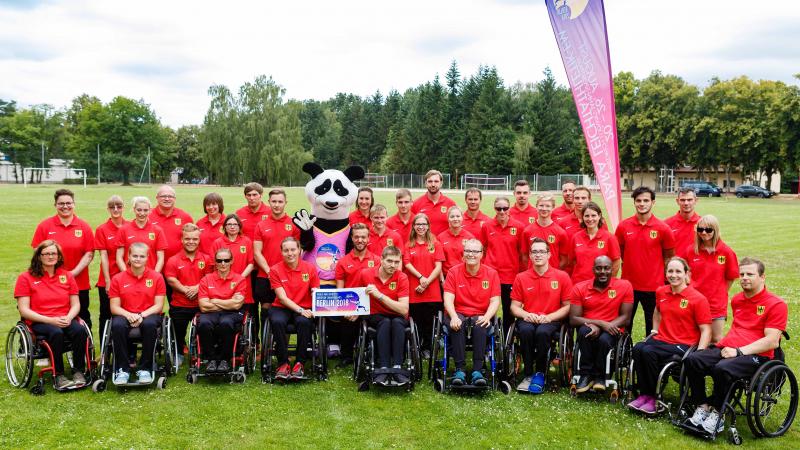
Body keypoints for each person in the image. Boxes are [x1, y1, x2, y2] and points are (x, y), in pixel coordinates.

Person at [682, 258, 787, 435]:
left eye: (750, 274)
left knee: (723, 369)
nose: (744, 278)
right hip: (729, 348)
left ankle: (717, 414)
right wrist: (730, 348)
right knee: (693, 359)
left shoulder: (776, 304)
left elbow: (772, 341)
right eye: (742, 274)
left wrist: (739, 351)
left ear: (762, 277)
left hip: (756, 355)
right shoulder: (737, 300)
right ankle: (702, 407)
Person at [628, 257, 711, 414]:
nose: (674, 275)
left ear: (687, 274)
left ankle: (653, 398)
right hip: (662, 340)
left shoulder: (697, 299)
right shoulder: (661, 292)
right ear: (665, 273)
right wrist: (654, 330)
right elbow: (657, 311)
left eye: (678, 271)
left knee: (648, 351)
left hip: (683, 344)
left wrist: (700, 353)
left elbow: (706, 329)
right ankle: (644, 394)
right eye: (670, 271)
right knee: (638, 348)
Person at [14, 240, 89, 389]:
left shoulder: (67, 276)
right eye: (46, 253)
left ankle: (79, 371)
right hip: (40, 320)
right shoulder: (26, 278)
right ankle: (59, 374)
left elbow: (76, 304)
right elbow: (24, 310)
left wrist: (68, 317)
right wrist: (51, 320)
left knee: (80, 330)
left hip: (64, 317)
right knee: (56, 333)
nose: (50, 256)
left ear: (59, 256)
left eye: (54, 253)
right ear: (39, 256)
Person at [510, 238, 572, 393]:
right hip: (529, 317)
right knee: (526, 331)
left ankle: (540, 373)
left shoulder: (561, 276)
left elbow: (567, 306)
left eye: (542, 251)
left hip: (551, 319)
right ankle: (528, 374)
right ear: (530, 256)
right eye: (534, 252)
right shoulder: (521, 277)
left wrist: (550, 317)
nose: (538, 255)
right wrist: (526, 314)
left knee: (543, 332)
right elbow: (514, 307)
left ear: (549, 254)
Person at [615, 187, 676, 337]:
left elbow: (669, 257)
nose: (642, 204)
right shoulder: (623, 226)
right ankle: (624, 357)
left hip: (654, 287)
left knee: (652, 327)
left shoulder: (663, 228)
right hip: (629, 286)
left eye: (646, 200)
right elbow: (619, 252)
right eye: (639, 201)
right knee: (625, 325)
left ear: (653, 202)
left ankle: (647, 357)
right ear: (634, 203)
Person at [569, 256, 634, 393]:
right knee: (583, 332)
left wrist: (606, 326)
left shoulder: (624, 286)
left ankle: (600, 377)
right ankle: (586, 375)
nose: (603, 271)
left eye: (606, 268)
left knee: (604, 339)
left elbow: (626, 317)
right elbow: (574, 319)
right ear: (593, 270)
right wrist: (599, 323)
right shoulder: (580, 288)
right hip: (590, 326)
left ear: (613, 269)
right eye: (599, 268)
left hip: (614, 327)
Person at [31, 189, 94, 329]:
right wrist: (54, 273)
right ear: (55, 205)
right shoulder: (45, 226)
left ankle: (85, 350)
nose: (65, 206)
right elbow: (37, 251)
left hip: (79, 282)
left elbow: (89, 254)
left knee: (82, 316)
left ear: (74, 204)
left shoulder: (84, 227)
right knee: (52, 315)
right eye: (61, 204)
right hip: (50, 282)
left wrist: (72, 273)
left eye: (68, 203)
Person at [442, 239, 501, 387]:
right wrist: (454, 316)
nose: (471, 254)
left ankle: (478, 370)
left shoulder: (491, 273)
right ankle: (459, 370)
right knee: (457, 325)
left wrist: (487, 317)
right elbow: (448, 298)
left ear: (482, 254)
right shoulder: (453, 272)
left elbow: (495, 301)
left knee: (480, 324)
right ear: (463, 254)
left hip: (481, 312)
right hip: (458, 311)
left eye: (475, 251)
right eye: (468, 251)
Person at [108, 242, 166, 385]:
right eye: (134, 256)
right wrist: (129, 315)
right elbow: (114, 307)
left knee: (150, 324)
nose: (138, 259)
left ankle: (145, 368)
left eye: (141, 256)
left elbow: (158, 305)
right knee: (117, 325)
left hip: (149, 314)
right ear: (128, 257)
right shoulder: (118, 278)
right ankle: (123, 369)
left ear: (147, 258)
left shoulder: (157, 277)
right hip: (125, 313)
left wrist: (141, 315)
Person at [268, 238, 321, 380]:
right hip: (282, 307)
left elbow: (316, 291)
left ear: (300, 250)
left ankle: (299, 363)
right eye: (286, 250)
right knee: (277, 322)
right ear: (281, 252)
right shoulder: (275, 270)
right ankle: (283, 363)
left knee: (304, 323)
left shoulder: (310, 268)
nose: (290, 253)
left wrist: (316, 305)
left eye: (293, 249)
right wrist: (300, 310)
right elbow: (282, 298)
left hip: (304, 306)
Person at [357, 246, 411, 385]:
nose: (393, 265)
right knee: (385, 322)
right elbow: (355, 295)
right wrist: (354, 312)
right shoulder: (365, 274)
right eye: (389, 261)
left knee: (397, 323)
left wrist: (380, 295)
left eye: (396, 262)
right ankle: (384, 366)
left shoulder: (402, 277)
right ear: (381, 259)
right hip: (376, 315)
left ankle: (398, 367)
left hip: (397, 314)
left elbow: (404, 309)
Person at [164, 224, 213, 367]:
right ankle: (178, 352)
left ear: (199, 240)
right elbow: (171, 279)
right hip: (180, 304)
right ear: (182, 239)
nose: (191, 242)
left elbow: (209, 277)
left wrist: (197, 288)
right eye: (187, 239)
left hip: (201, 304)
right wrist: (186, 290)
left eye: (194, 239)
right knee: (178, 332)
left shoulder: (206, 258)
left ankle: (203, 353)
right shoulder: (173, 260)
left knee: (206, 328)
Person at [684, 215, 738, 343]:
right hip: (694, 301)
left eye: (708, 230)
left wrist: (719, 291)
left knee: (715, 338)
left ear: (716, 230)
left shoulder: (726, 252)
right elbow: (684, 273)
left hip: (716, 304)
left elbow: (731, 277)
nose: (704, 233)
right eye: (700, 229)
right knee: (694, 338)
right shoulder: (691, 251)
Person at [253, 189, 300, 333]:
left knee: (284, 309)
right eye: (274, 201)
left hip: (288, 276)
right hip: (265, 276)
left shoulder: (293, 224)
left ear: (285, 203)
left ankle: (282, 347)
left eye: (280, 201)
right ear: (269, 202)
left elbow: (298, 251)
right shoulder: (261, 225)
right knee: (266, 309)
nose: (277, 205)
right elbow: (256, 252)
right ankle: (266, 349)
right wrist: (269, 271)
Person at [334, 223, 379, 366]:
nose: (360, 240)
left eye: (363, 237)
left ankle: (371, 353)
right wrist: (348, 309)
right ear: (352, 238)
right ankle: (346, 355)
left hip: (372, 306)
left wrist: (361, 310)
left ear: (368, 238)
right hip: (350, 306)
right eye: (357, 237)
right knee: (347, 320)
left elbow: (379, 288)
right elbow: (340, 291)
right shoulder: (343, 261)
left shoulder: (377, 260)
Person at [196, 248, 247, 374]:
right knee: (204, 324)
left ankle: (225, 359)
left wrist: (214, 300)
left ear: (231, 261)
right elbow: (203, 306)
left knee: (226, 323)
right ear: (215, 262)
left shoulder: (239, 279)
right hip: (210, 313)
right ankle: (211, 359)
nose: (223, 263)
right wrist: (228, 302)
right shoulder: (206, 279)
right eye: (219, 260)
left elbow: (236, 305)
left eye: (226, 260)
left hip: (232, 314)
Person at [480, 196, 526, 335]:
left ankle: (507, 338)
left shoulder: (519, 227)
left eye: (505, 208)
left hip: (510, 275)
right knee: (487, 307)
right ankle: (488, 336)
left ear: (509, 208)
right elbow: (483, 249)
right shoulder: (487, 226)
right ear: (494, 208)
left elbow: (522, 253)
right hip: (490, 274)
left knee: (508, 309)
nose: (501, 211)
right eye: (498, 208)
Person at [404, 213, 445, 357]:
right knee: (417, 321)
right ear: (413, 226)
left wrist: (426, 282)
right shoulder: (408, 245)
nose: (421, 227)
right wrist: (421, 277)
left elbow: (438, 267)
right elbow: (407, 263)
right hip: (415, 290)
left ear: (428, 226)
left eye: (424, 224)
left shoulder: (435, 244)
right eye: (418, 224)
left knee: (430, 322)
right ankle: (416, 347)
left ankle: (428, 348)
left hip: (432, 291)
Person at [212, 214, 255, 324]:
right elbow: (214, 264)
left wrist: (239, 278)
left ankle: (254, 341)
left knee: (247, 315)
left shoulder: (246, 241)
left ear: (239, 226)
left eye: (235, 224)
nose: (232, 227)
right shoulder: (218, 242)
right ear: (224, 227)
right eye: (229, 224)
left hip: (243, 283)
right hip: (223, 284)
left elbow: (251, 263)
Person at [94, 195, 126, 332]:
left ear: (123, 208)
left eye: (119, 206)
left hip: (127, 277)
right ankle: (104, 351)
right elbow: (104, 256)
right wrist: (107, 280)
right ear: (108, 209)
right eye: (112, 207)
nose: (116, 209)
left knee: (125, 313)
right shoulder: (102, 229)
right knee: (106, 314)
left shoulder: (130, 225)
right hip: (109, 277)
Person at [567, 202, 621, 283]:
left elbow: (616, 263)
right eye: (587, 216)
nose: (590, 219)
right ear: (583, 217)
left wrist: (607, 281)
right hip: (579, 284)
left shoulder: (610, 237)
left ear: (599, 216)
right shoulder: (576, 237)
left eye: (593, 215)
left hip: (600, 284)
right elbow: (573, 261)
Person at [115, 196, 168, 273]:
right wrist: (127, 275)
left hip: (149, 278)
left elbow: (160, 259)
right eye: (139, 210)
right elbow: (119, 257)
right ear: (134, 210)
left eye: (145, 210)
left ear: (150, 210)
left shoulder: (157, 230)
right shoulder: (124, 230)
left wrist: (154, 276)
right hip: (129, 276)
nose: (142, 213)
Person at [148, 185, 193, 264]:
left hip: (178, 265)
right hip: (153, 264)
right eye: (163, 196)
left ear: (174, 199)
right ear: (157, 198)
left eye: (170, 196)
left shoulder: (185, 217)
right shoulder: (148, 216)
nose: (167, 199)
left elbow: (193, 240)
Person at [522, 194, 568, 271]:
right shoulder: (527, 231)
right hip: (533, 275)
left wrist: (553, 271)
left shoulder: (560, 232)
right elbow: (525, 257)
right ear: (536, 207)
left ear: (553, 208)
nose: (544, 208)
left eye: (547, 206)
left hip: (552, 276)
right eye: (541, 205)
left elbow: (564, 260)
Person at [411, 169, 456, 235]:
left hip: (443, 244)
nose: (433, 184)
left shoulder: (451, 204)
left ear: (441, 183)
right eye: (430, 181)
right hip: (424, 244)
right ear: (426, 183)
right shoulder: (416, 204)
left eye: (436, 181)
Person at [437, 206, 475, 278]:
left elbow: (473, 260)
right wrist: (442, 280)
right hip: (447, 276)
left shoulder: (470, 237)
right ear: (448, 219)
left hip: (465, 276)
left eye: (458, 216)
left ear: (462, 218)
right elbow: (438, 262)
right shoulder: (440, 238)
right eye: (452, 216)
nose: (455, 219)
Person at [665, 187, 701, 257]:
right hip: (675, 266)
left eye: (689, 200)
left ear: (696, 201)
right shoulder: (666, 224)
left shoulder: (704, 224)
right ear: (677, 201)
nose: (686, 203)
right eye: (682, 200)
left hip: (696, 267)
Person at [196, 192, 225, 257]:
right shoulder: (199, 223)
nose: (211, 207)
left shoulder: (227, 222)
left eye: (214, 204)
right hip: (203, 262)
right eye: (208, 205)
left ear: (219, 205)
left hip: (222, 262)